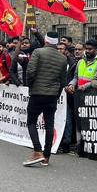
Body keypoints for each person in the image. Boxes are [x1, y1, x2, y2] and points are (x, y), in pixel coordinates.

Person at [23, 31, 68, 167]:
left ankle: (37, 151)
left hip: (37, 93)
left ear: (46, 41)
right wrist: (57, 93)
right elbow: (63, 81)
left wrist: (30, 86)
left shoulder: (38, 52)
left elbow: (30, 72)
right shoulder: (63, 58)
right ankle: (46, 156)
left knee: (31, 122)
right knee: (49, 124)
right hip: (52, 95)